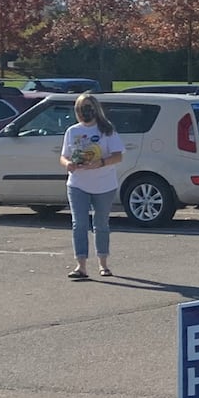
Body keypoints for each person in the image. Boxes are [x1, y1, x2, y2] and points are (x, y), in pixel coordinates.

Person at [60, 94, 125, 279]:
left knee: (101, 224)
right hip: (78, 183)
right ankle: (81, 266)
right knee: (79, 224)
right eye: (80, 109)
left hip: (104, 184)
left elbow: (118, 155)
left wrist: (102, 162)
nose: (84, 112)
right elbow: (64, 156)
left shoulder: (107, 130)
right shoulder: (72, 131)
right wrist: (68, 164)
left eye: (87, 108)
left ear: (95, 109)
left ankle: (103, 264)